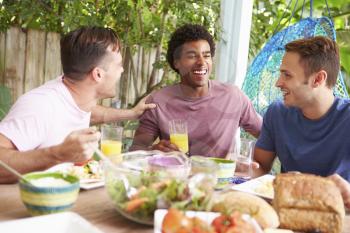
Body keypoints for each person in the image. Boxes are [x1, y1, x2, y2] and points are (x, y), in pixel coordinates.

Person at [0, 26, 155, 183]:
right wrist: (57, 153)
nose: (122, 70)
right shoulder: (40, 105)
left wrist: (132, 113)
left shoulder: (75, 96)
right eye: (119, 65)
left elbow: (88, 111)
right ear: (98, 74)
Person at [130, 24, 262, 157]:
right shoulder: (158, 102)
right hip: (175, 176)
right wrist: (154, 151)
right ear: (176, 62)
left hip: (221, 177)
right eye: (192, 56)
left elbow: (267, 134)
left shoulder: (233, 97)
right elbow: (136, 150)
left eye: (206, 55)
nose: (201, 62)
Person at [253, 36, 350, 181]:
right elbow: (259, 167)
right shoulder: (277, 113)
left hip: (338, 203)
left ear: (318, 79)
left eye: (287, 75)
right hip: (285, 202)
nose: (278, 83)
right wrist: (244, 167)